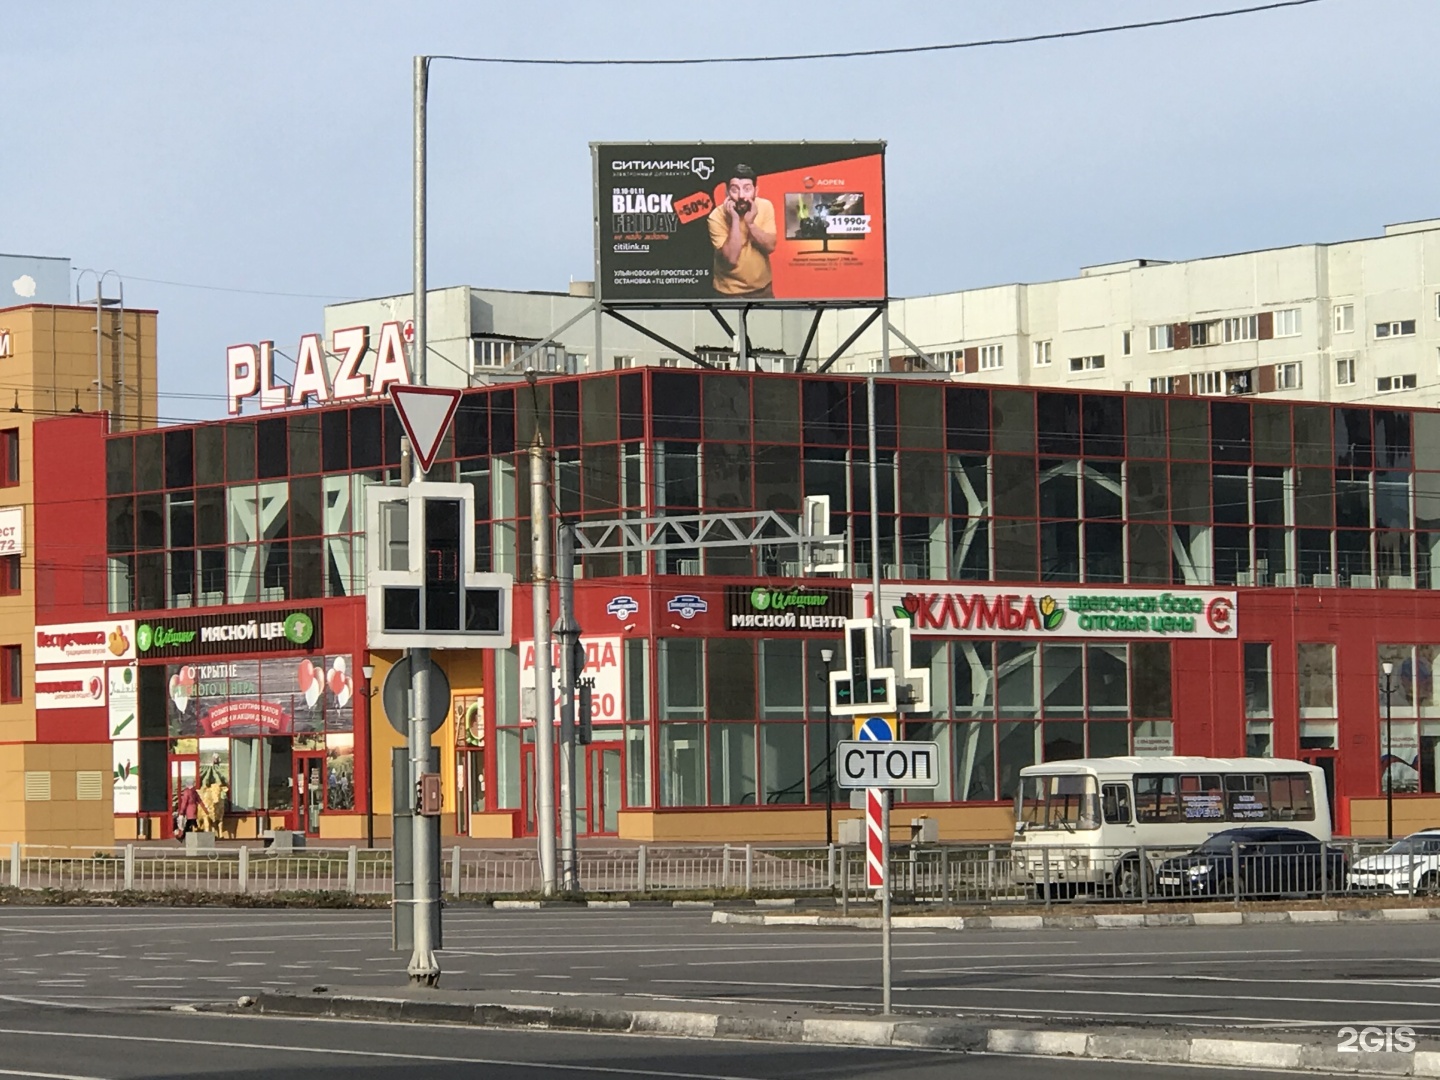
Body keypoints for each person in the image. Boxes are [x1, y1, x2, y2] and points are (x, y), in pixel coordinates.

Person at [707, 164, 777, 298]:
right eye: (734, 190)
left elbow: (770, 246)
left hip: (763, 289)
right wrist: (734, 219)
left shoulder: (766, 206)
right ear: (726, 192)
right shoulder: (716, 217)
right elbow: (731, 259)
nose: (741, 196)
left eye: (747, 189)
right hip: (728, 292)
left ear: (756, 191)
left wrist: (750, 224)